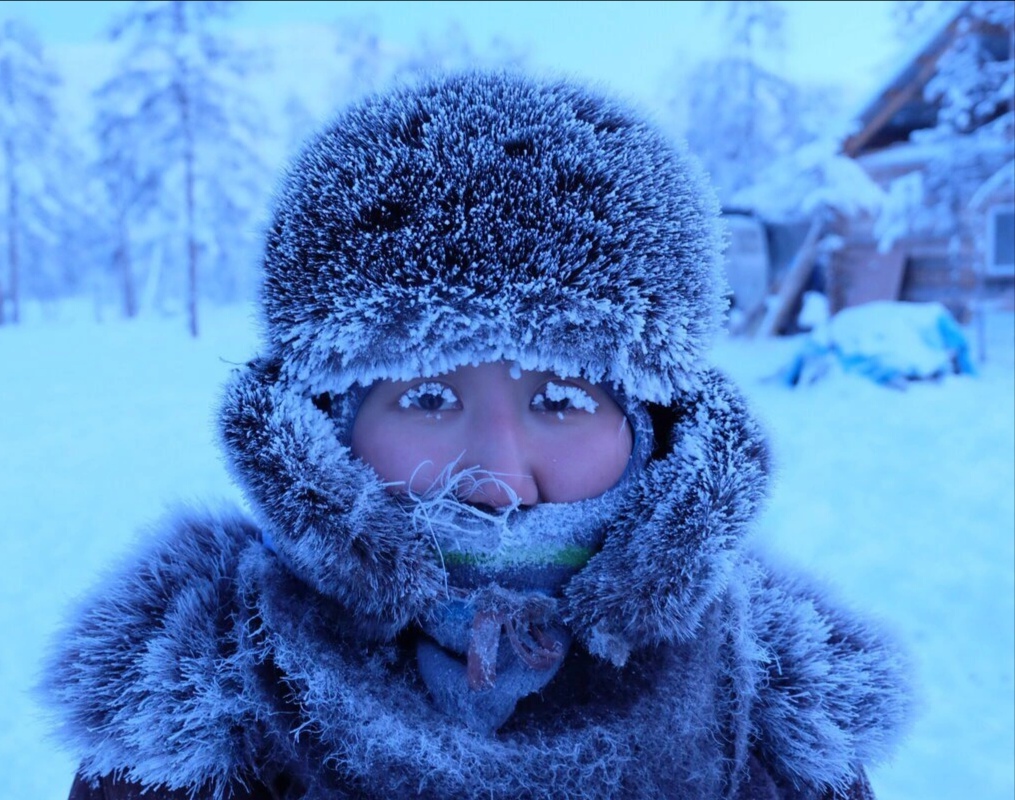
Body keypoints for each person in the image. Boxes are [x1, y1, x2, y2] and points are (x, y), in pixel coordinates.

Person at [40, 69, 913, 800]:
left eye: (561, 401)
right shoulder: (194, 696)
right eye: (427, 396)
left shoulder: (771, 703)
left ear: (658, 429)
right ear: (322, 426)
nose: (497, 479)